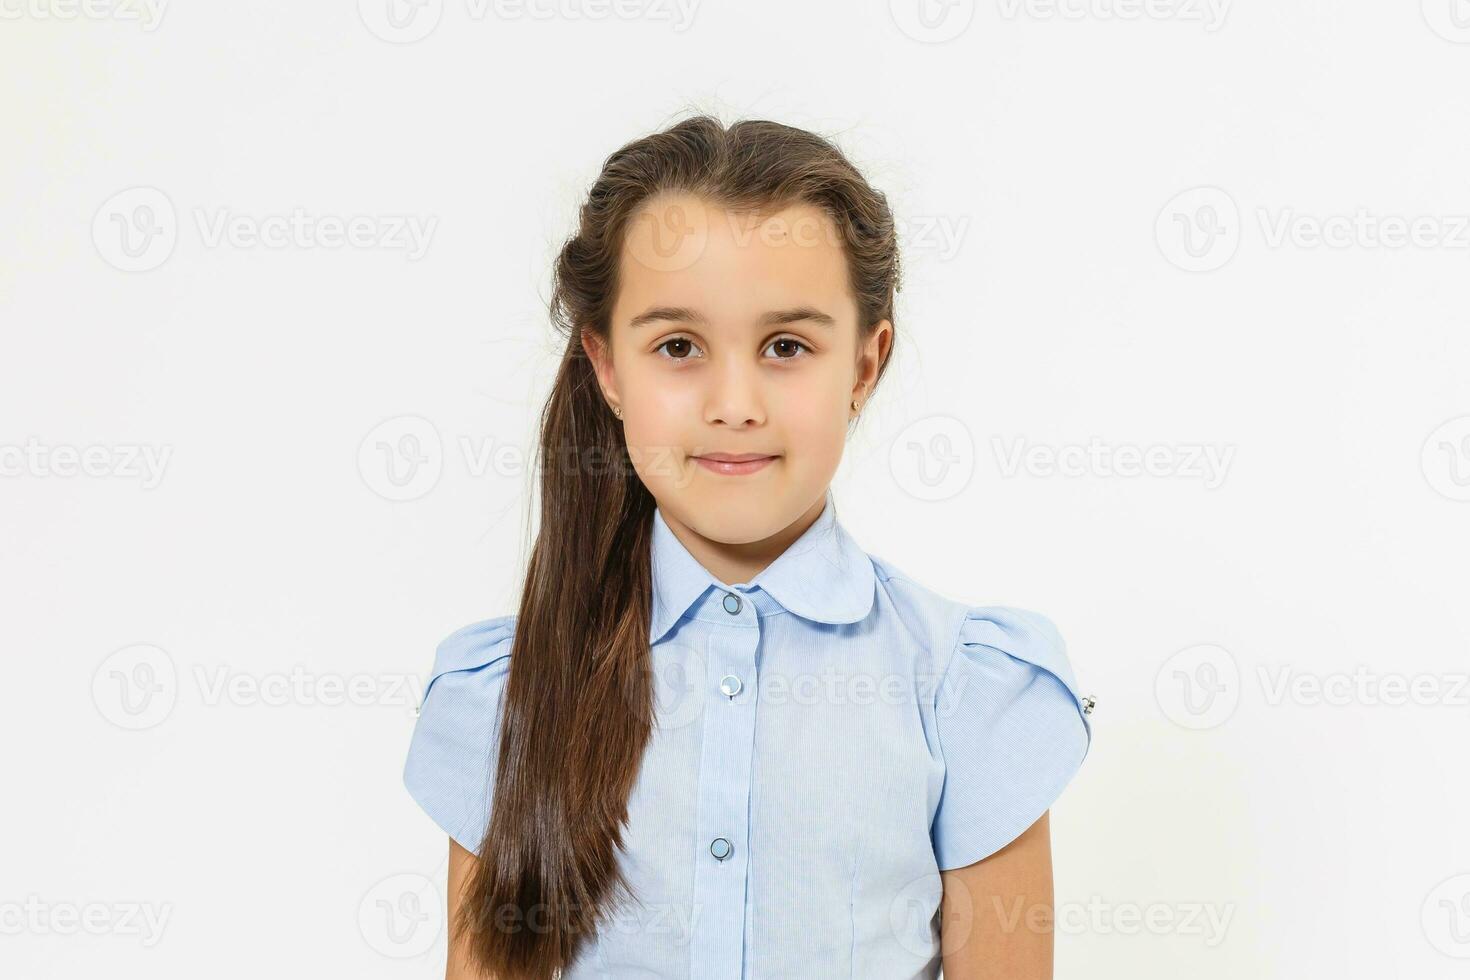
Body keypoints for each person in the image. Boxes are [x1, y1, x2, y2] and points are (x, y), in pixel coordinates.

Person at [403, 113, 1094, 979]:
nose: (736, 402)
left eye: (786, 346)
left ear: (864, 365)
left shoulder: (965, 688)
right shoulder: (507, 695)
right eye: (679, 346)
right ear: (608, 368)